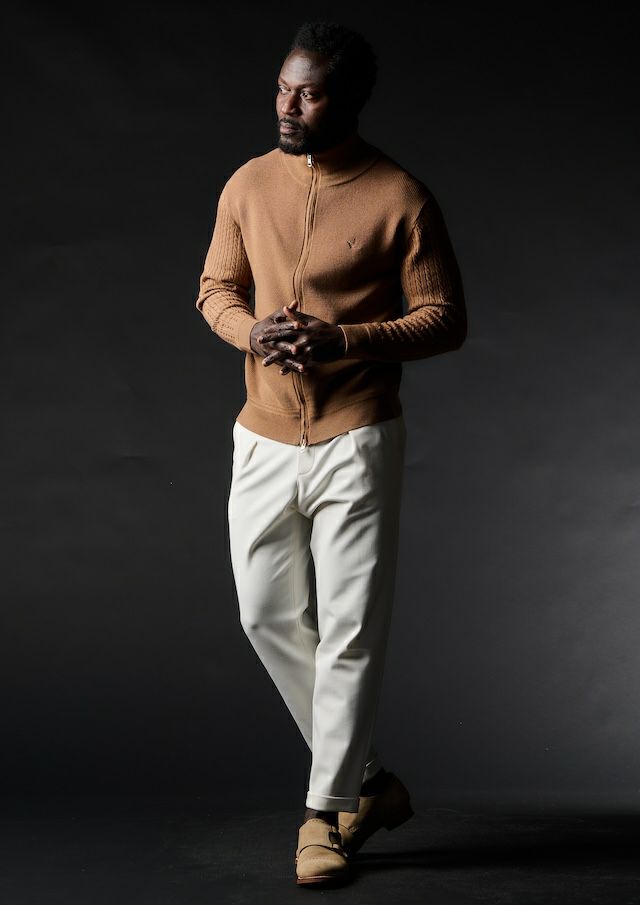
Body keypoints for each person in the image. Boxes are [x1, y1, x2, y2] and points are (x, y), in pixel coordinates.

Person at [194, 20, 467, 887]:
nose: (288, 105)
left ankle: (325, 815)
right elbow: (216, 289)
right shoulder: (247, 184)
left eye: (308, 94)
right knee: (265, 614)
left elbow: (444, 318)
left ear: (346, 100)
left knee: (349, 630)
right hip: (263, 433)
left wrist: (345, 339)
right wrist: (251, 331)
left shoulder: (400, 196)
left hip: (357, 434)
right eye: (283, 88)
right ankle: (372, 780)